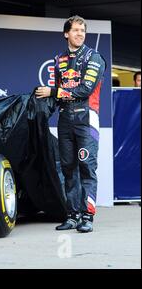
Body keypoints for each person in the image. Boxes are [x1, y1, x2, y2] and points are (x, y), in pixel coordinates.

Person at [35, 15, 106, 233]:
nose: (79, 34)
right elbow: (58, 97)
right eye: (75, 30)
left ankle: (87, 217)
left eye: (82, 31)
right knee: (68, 169)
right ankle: (72, 215)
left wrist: (54, 92)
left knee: (87, 167)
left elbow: (84, 90)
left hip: (86, 118)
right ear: (66, 33)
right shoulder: (59, 61)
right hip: (65, 119)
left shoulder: (94, 57)